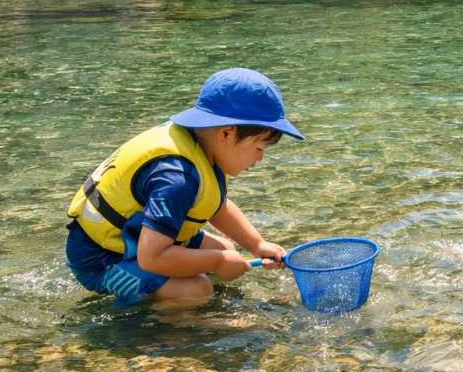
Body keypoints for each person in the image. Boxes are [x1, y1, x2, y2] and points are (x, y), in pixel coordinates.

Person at [66, 68, 303, 306]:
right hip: (102, 259)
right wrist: (218, 262)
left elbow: (215, 205)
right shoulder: (176, 178)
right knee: (196, 288)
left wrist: (257, 245)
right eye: (259, 148)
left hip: (136, 238)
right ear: (226, 133)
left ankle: (188, 296)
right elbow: (151, 258)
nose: (260, 158)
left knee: (226, 248)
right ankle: (173, 322)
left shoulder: (203, 145)